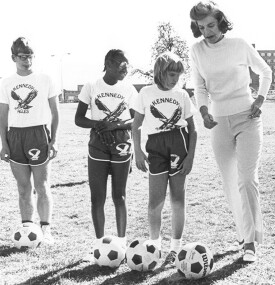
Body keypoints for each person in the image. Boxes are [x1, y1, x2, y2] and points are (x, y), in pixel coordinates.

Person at [189, 1, 272, 262]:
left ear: (221, 21)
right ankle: (244, 233)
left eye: (211, 25)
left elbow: (265, 71)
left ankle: (250, 243)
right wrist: (203, 111)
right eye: (201, 27)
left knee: (246, 179)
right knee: (229, 183)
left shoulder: (239, 45)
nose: (207, 31)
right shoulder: (196, 50)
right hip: (217, 120)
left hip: (247, 117)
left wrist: (260, 99)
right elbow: (199, 87)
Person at [132, 52, 197, 266]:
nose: (175, 79)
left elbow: (193, 131)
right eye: (171, 74)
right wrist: (138, 152)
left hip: (179, 143)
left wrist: (190, 158)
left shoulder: (182, 95)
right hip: (155, 147)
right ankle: (154, 245)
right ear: (160, 72)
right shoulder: (145, 93)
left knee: (178, 199)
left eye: (178, 75)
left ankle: (176, 247)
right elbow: (136, 125)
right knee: (155, 202)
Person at [75, 49, 137, 253]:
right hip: (98, 142)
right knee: (97, 197)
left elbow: (137, 120)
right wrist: (99, 124)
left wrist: (115, 126)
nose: (125, 70)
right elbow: (79, 118)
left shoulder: (129, 89)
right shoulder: (91, 86)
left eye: (127, 66)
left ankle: (122, 242)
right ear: (109, 64)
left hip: (121, 144)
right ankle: (99, 243)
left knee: (119, 195)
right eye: (122, 66)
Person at [0, 37, 59, 244]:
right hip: (15, 136)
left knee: (42, 185)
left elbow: (55, 112)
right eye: (22, 56)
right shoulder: (6, 83)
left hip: (38, 134)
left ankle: (46, 230)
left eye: (30, 56)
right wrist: (4, 143)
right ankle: (27, 228)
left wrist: (54, 140)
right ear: (13, 57)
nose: (27, 60)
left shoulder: (45, 79)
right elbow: (3, 116)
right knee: (23, 188)